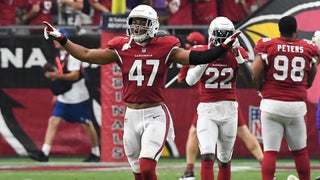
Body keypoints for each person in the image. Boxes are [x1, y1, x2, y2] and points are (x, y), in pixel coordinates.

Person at [42, 4, 240, 179]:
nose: (137, 27)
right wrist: (61, 38)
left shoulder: (166, 46)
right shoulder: (122, 47)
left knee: (146, 167)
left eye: (142, 23)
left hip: (155, 114)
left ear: (153, 25)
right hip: (131, 116)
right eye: (134, 22)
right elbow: (86, 54)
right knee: (138, 171)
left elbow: (199, 57)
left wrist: (223, 47)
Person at [184, 16, 254, 180]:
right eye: (219, 35)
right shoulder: (201, 50)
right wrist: (207, 58)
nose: (222, 39)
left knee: (224, 160)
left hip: (229, 111)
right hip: (207, 110)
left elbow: (251, 80)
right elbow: (189, 80)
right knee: (207, 155)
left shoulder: (238, 52)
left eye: (226, 35)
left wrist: (237, 56)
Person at [251, 16, 319, 180]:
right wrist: (304, 85)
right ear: (296, 31)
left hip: (271, 104)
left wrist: (260, 87)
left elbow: (255, 71)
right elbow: (313, 70)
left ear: (279, 30)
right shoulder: (308, 47)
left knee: (270, 151)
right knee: (300, 151)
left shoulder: (268, 45)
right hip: (296, 106)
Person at [28, 29, 101, 163]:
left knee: (86, 123)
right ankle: (44, 152)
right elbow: (63, 73)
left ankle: (95, 153)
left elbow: (75, 75)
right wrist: (58, 91)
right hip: (65, 96)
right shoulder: (60, 55)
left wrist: (56, 76)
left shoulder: (73, 54)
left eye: (58, 39)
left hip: (78, 96)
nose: (55, 42)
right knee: (53, 120)